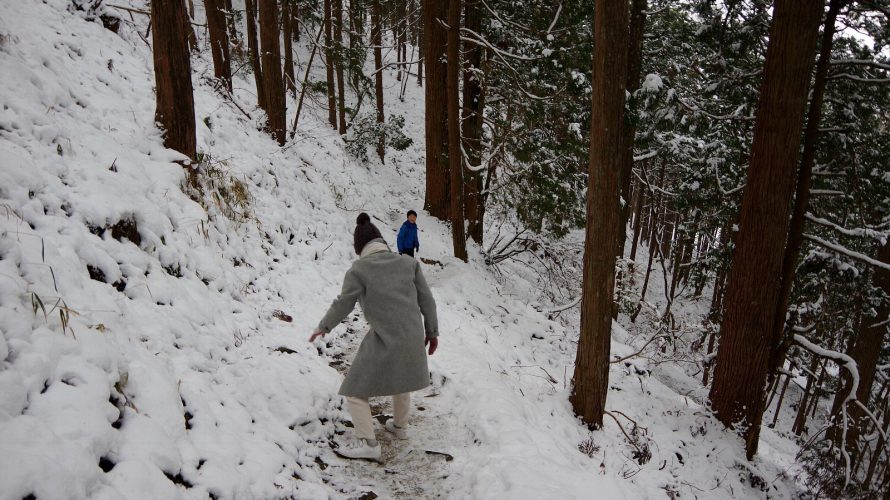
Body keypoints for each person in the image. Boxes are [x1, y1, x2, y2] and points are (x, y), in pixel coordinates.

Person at [310, 212, 439, 461]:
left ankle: (369, 443)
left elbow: (344, 303)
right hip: (413, 337)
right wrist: (432, 332)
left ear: (360, 249)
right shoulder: (408, 263)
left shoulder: (359, 269)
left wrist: (324, 326)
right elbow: (427, 301)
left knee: (354, 390)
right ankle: (400, 427)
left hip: (384, 338)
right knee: (401, 379)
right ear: (382, 241)